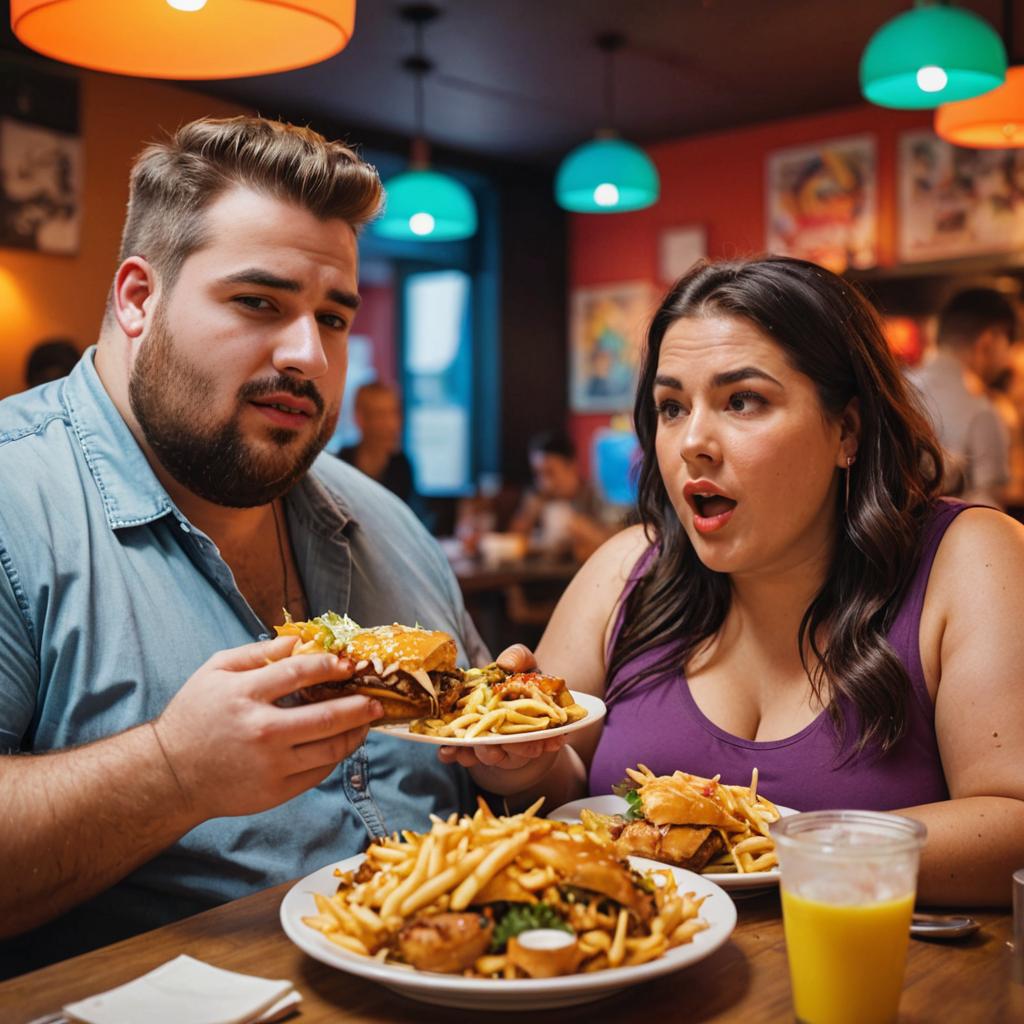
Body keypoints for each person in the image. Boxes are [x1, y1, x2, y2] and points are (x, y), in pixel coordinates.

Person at [0, 115, 491, 977]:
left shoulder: (386, 523)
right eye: (259, 302)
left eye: (334, 318)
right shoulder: (16, 502)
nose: (309, 356)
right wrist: (171, 772)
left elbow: (483, 763)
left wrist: (519, 765)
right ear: (138, 298)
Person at [446, 256, 1024, 907]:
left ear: (848, 431)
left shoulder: (970, 556)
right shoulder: (625, 568)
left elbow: (1014, 822)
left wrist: (760, 846)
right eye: (670, 407)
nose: (693, 440)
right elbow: (562, 793)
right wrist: (528, 764)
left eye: (742, 401)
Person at [906, 287, 1017, 508]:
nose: (1008, 359)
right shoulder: (983, 411)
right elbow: (990, 508)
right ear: (988, 340)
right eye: (1008, 344)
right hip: (951, 539)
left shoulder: (897, 389)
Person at [510, 430, 617, 562]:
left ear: (572, 466)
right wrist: (528, 515)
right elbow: (513, 542)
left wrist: (579, 527)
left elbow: (615, 545)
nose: (544, 482)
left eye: (550, 473)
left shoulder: (595, 495)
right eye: (538, 474)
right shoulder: (537, 498)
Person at [336, 380, 419, 507]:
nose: (393, 425)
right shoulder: (341, 465)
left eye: (394, 413)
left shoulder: (402, 466)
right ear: (360, 419)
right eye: (381, 415)